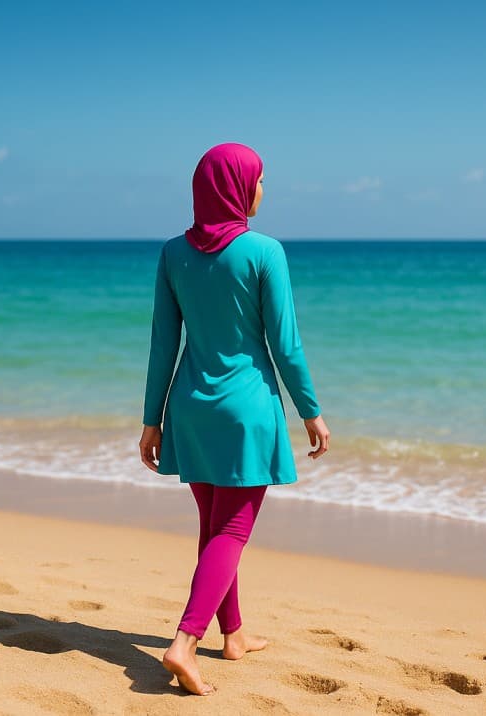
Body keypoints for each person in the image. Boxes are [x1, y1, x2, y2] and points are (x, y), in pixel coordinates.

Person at [138, 142, 331, 695]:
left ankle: (235, 635)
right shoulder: (265, 251)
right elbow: (285, 343)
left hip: (190, 408)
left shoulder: (173, 253)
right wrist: (311, 411)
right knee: (232, 530)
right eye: (261, 180)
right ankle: (185, 642)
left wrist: (152, 419)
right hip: (247, 412)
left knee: (213, 530)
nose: (263, 189)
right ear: (239, 186)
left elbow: (161, 343)